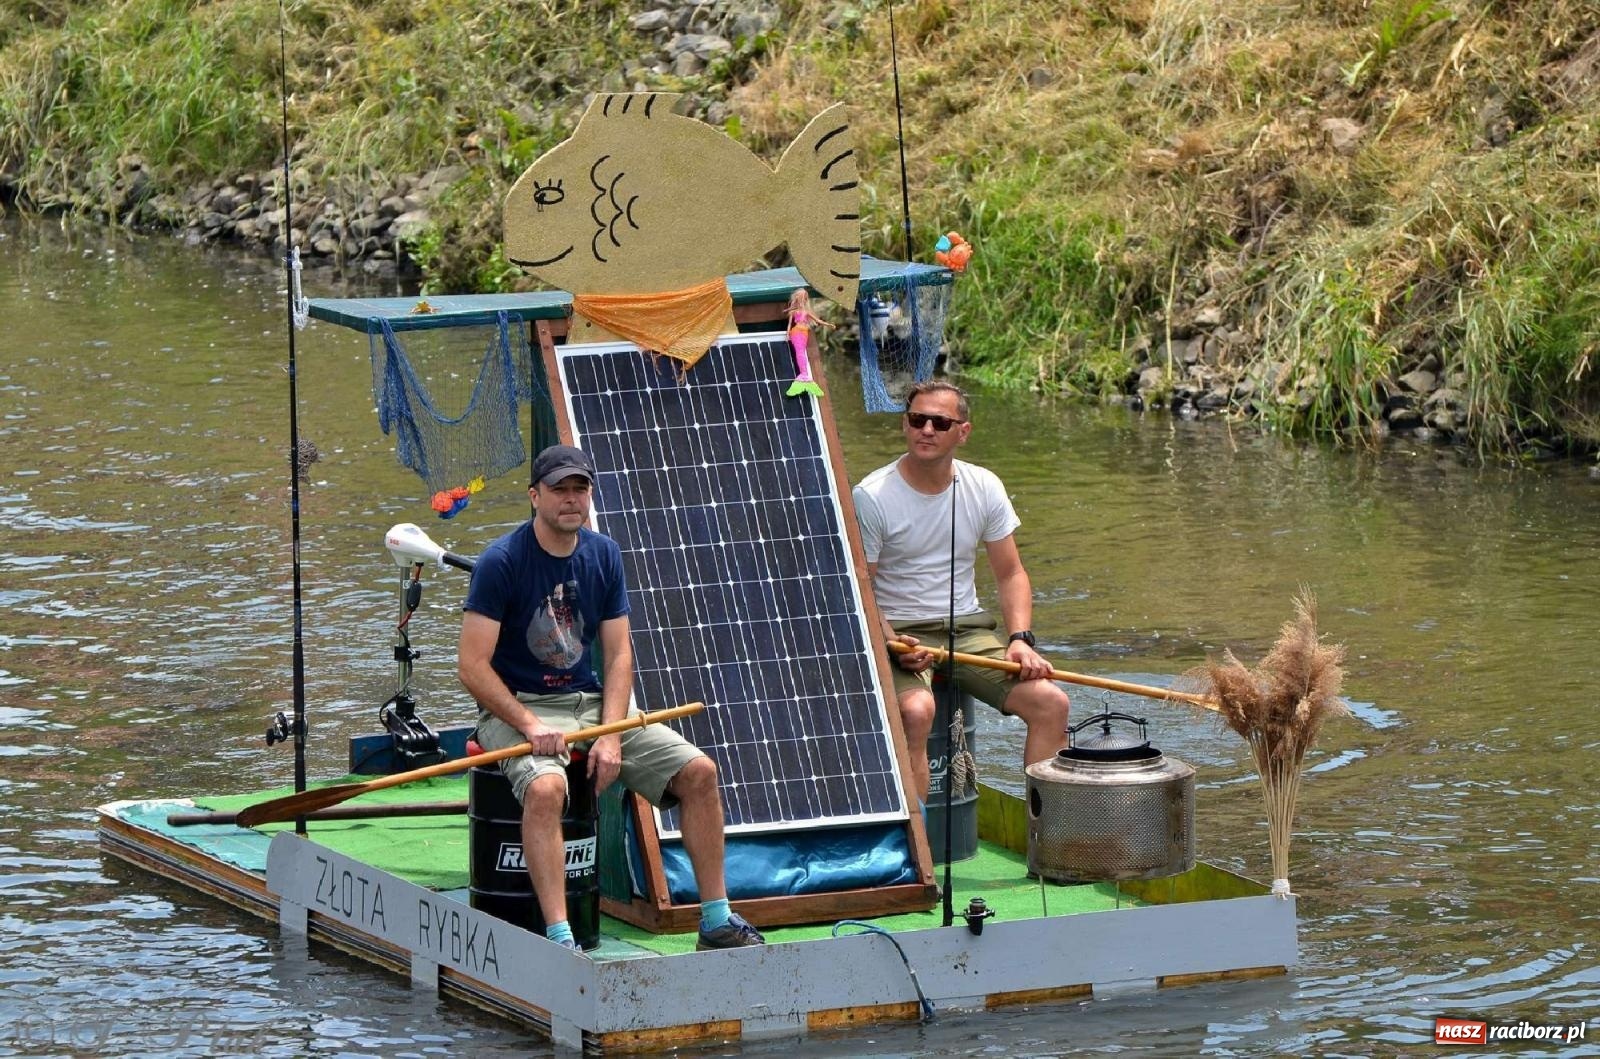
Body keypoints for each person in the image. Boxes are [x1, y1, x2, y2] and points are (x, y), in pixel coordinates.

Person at [458, 443, 764, 952]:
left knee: (700, 774)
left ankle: (715, 920)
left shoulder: (604, 554)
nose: (571, 499)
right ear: (535, 496)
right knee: (547, 790)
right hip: (515, 707)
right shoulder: (501, 562)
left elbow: (620, 655)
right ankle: (560, 936)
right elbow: (471, 667)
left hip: (591, 705)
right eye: (559, 489)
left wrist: (614, 734)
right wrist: (531, 725)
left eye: (580, 488)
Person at [853, 381, 1070, 803]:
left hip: (966, 631)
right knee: (918, 711)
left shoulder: (984, 485)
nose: (927, 430)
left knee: (1052, 703)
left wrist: (1020, 639)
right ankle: (917, 851)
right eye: (917, 420)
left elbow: (1010, 573)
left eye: (940, 422)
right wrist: (893, 643)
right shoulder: (872, 496)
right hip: (900, 631)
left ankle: (1046, 846)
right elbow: (864, 589)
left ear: (963, 432)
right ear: (905, 424)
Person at [785, 287, 832, 398]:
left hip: (803, 332)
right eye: (802, 298)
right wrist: (787, 333)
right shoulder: (793, 312)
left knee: (802, 352)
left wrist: (828, 324)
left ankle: (804, 374)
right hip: (796, 332)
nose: (804, 301)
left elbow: (818, 320)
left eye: (805, 299)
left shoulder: (806, 312)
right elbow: (789, 324)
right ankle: (804, 374)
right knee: (800, 352)